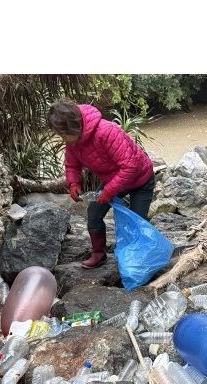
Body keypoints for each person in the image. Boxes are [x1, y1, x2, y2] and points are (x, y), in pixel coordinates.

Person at [47, 98, 155, 269]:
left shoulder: (107, 131)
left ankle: (139, 260)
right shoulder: (73, 142)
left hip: (141, 179)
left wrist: (109, 192)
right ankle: (99, 253)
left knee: (137, 220)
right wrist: (73, 183)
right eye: (60, 135)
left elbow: (130, 167)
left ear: (74, 126)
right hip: (113, 179)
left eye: (63, 134)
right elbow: (72, 165)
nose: (62, 139)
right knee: (94, 212)